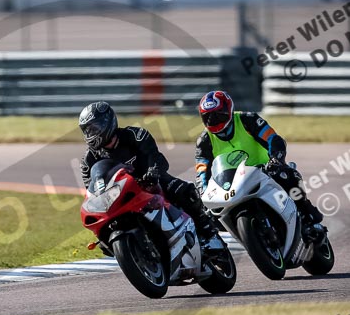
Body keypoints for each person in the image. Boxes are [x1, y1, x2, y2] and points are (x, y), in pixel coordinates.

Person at [78, 101, 218, 245]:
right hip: (120, 195)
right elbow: (91, 189)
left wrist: (152, 172)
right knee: (103, 239)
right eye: (87, 131)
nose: (91, 134)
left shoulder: (135, 135)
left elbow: (153, 156)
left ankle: (209, 233)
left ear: (107, 123)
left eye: (93, 129)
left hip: (151, 183)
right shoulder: (88, 160)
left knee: (185, 191)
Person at [194, 90, 324, 237]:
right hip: (232, 185)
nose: (214, 120)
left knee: (287, 175)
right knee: (209, 214)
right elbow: (201, 172)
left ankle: (308, 214)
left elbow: (273, 139)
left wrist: (276, 159)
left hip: (264, 170)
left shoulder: (248, 119)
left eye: (219, 114)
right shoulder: (204, 141)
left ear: (229, 109)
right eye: (208, 117)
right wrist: (202, 192)